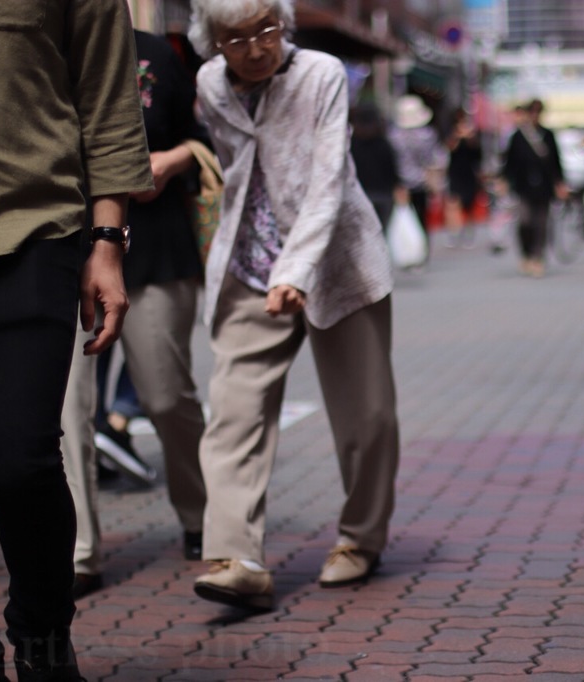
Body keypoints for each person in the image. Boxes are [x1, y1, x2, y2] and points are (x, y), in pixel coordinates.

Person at [186, 0, 401, 611]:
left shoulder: (322, 74)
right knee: (234, 412)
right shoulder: (208, 83)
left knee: (367, 417)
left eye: (266, 31)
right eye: (235, 38)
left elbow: (328, 177)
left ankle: (362, 538)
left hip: (336, 261)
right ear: (213, 42)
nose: (254, 48)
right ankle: (237, 558)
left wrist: (297, 268)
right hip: (250, 266)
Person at [0, 2, 152, 679]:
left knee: (16, 457)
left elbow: (107, 101)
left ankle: (44, 640)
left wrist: (106, 242)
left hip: (32, 229)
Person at [60, 28, 211, 601]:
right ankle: (79, 551)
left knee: (167, 396)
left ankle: (200, 516)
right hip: (65, 250)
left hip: (155, 248)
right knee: (67, 408)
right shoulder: (42, 44)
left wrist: (168, 162)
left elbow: (202, 139)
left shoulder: (156, 54)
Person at [502, 99, 568, 278]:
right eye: (532, 112)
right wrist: (505, 180)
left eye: (538, 112)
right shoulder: (518, 136)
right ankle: (526, 254)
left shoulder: (547, 135)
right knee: (525, 221)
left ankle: (538, 258)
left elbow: (556, 162)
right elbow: (510, 163)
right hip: (523, 186)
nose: (535, 116)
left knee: (542, 223)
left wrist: (560, 183)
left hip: (544, 187)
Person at [388, 94, 445, 262]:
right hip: (422, 181)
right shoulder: (427, 134)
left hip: (401, 183)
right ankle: (421, 251)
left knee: (403, 216)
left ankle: (406, 251)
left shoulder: (393, 136)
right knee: (421, 217)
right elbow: (435, 159)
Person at [349, 102, 401, 230]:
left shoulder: (352, 145)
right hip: (384, 195)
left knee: (365, 234)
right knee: (382, 233)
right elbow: (392, 169)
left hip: (360, 195)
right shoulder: (383, 143)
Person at [444, 107, 484, 248]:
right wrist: (457, 136)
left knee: (469, 205)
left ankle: (468, 234)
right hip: (455, 173)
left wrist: (470, 137)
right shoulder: (451, 133)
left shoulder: (472, 135)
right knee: (453, 203)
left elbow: (478, 155)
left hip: (469, 174)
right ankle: (454, 233)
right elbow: (448, 149)